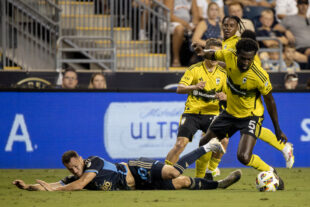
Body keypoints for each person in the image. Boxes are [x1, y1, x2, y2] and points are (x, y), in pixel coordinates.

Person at [192, 38, 288, 190]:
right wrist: (202, 52)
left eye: (249, 59)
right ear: (237, 54)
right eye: (242, 58)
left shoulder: (259, 76)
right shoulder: (229, 55)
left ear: (254, 57)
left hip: (251, 116)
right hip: (230, 113)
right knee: (204, 144)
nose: (245, 62)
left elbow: (270, 101)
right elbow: (213, 55)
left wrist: (277, 128)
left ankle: (270, 172)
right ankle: (200, 180)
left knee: (243, 157)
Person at [12, 139, 242, 191]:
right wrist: (29, 187)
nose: (74, 171)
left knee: (173, 171)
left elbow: (80, 184)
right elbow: (52, 185)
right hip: (138, 187)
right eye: (70, 170)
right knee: (181, 182)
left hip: (134, 168)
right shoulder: (74, 177)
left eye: (75, 166)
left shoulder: (93, 162)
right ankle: (219, 185)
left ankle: (208, 146)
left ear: (80, 159)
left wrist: (57, 190)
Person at [165, 39, 227, 173]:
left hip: (212, 114)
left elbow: (232, 97)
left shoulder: (223, 74)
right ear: (206, 53)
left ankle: (211, 171)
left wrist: (225, 97)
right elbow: (179, 89)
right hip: (192, 113)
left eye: (218, 53)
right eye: (213, 53)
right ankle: (164, 172)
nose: (215, 56)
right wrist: (194, 86)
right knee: (180, 144)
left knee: (224, 141)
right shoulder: (194, 69)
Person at [161, 0, 199, 67]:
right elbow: (169, 16)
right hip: (169, 23)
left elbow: (196, 14)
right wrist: (186, 25)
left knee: (200, 27)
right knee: (179, 28)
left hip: (186, 24)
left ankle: (195, 57)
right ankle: (176, 59)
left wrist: (194, 25)